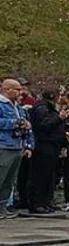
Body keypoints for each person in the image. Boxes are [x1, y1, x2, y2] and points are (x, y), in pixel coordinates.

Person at [0, 79, 33, 219]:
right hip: (3, 146)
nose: (21, 92)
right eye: (17, 89)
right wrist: (15, 123)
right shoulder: (1, 105)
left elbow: (27, 126)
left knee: (9, 181)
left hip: (17, 146)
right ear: (7, 89)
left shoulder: (18, 107)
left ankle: (3, 208)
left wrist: (28, 144)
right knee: (1, 178)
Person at [29, 89, 66, 214]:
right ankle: (37, 203)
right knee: (41, 175)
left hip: (53, 144)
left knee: (50, 175)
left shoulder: (49, 108)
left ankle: (46, 201)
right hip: (44, 145)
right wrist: (59, 118)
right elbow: (44, 125)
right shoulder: (42, 108)